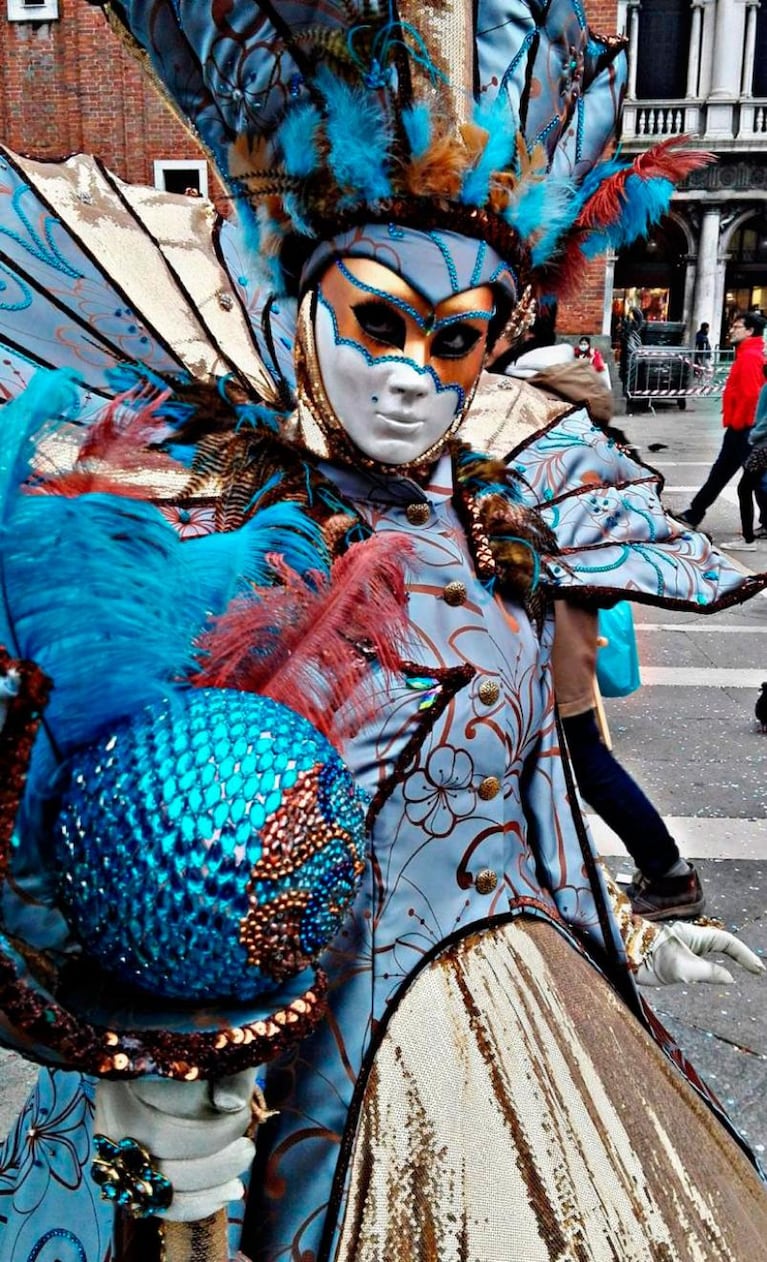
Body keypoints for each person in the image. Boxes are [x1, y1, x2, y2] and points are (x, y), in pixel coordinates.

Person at [3, 5, 767, 1262]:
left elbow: (517, 808)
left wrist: (624, 926)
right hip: (281, 1074)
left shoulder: (504, 521)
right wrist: (139, 1068)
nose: (412, 372)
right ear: (306, 312)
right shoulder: (210, 534)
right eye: (379, 323)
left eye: (455, 339)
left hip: (526, 1012)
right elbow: (85, 825)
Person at [504, 342, 704, 919]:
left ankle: (669, 875)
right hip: (563, 611)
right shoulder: (587, 442)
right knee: (561, 753)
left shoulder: (549, 449)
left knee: (582, 754)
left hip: (551, 615)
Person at [678, 310, 766, 543]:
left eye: (737, 327)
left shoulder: (750, 357)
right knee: (722, 474)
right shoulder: (748, 354)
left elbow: (750, 396)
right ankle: (694, 513)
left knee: (755, 479)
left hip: (746, 428)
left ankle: (695, 513)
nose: (732, 330)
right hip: (741, 428)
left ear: (749, 331)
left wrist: (747, 429)